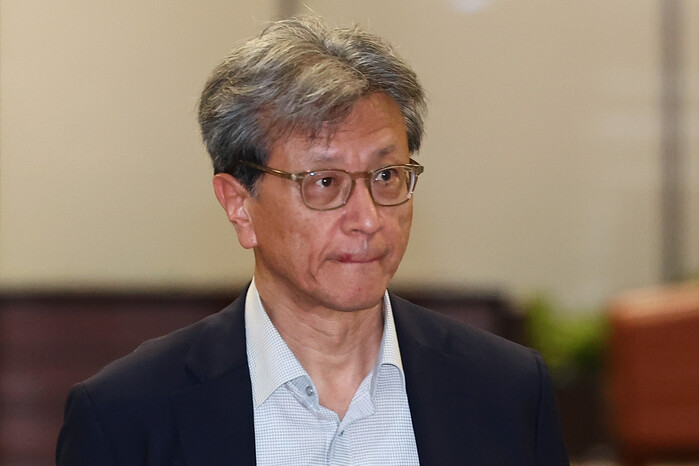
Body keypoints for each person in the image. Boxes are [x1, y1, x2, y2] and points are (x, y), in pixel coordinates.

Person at [56, 16, 569, 465]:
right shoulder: (126, 417)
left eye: (386, 176)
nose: (368, 218)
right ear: (238, 204)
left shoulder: (508, 391)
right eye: (324, 182)